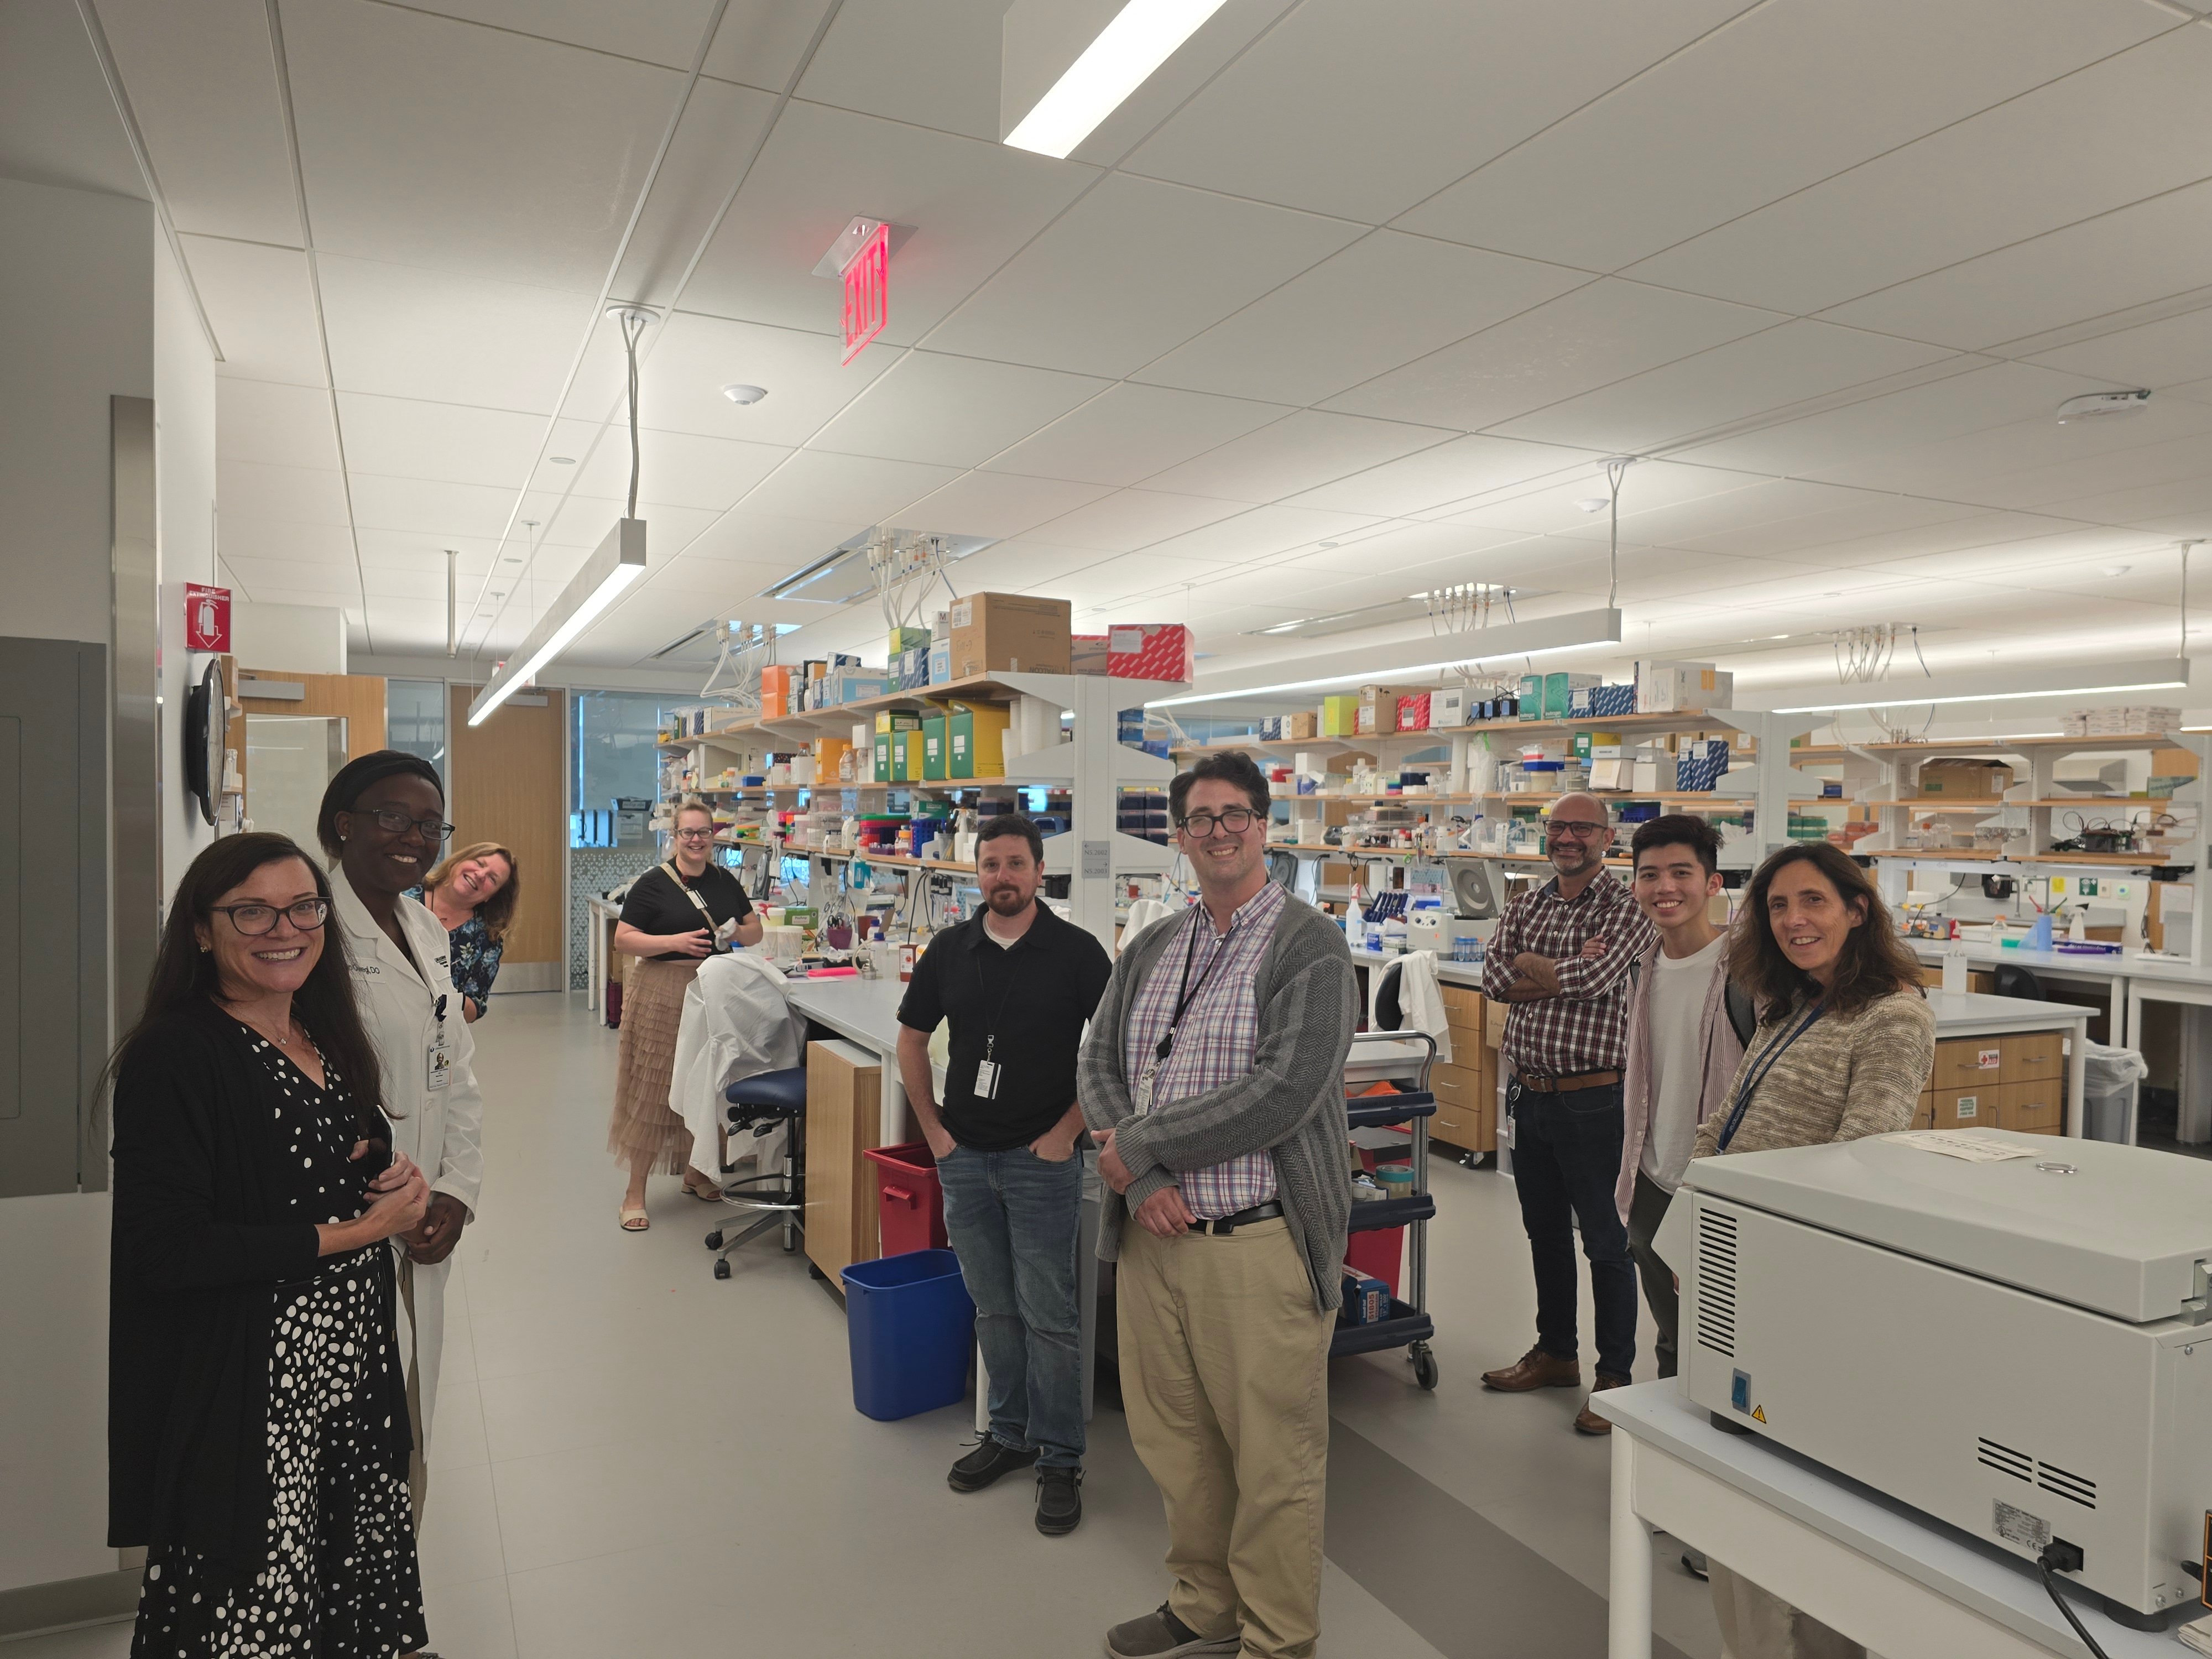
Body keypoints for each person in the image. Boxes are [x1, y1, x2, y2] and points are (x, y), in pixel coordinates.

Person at [110, 832, 434, 1659]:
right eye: (249, 910)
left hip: (346, 1369)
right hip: (254, 1384)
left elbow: (325, 1149)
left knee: (342, 1585)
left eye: (300, 907)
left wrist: (391, 1174)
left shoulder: (322, 1032)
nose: (281, 927)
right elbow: (171, 1252)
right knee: (252, 1602)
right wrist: (363, 1233)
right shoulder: (177, 1054)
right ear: (200, 929)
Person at [1080, 751, 1357, 1659]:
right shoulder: (1157, 941)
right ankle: (1203, 1603)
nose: (1219, 830)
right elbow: (1100, 1062)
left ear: (1264, 825)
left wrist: (1143, 1147)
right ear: (1179, 834)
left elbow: (1283, 1092)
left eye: (1235, 813)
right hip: (1155, 1240)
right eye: (1200, 818)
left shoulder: (1308, 943)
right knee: (1177, 1443)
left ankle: (1278, 1639)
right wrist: (1144, 1181)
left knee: (1273, 1460)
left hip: (1254, 1245)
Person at [1695, 839, 1936, 1659]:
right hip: (1738, 1254)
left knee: (1807, 1499)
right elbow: (1734, 1113)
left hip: (1804, 1278)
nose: (1794, 921)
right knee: (1741, 1485)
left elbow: (1869, 1155)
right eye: (1777, 906)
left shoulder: (1891, 1014)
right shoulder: (1790, 1001)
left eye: (1813, 903)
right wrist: (1702, 1184)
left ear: (1857, 908)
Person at [895, 812, 1113, 1536]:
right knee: (993, 1306)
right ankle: (1010, 1434)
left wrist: (1066, 1133)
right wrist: (935, 1135)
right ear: (976, 873)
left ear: (1039, 871)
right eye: (990, 865)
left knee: (1050, 1314)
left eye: (1016, 864)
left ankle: (1060, 1458)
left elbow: (1113, 1053)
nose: (1003, 877)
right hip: (964, 1158)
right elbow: (912, 1041)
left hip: (1040, 1163)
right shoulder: (950, 951)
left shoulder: (1077, 953)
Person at [320, 749, 485, 1522]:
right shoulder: (309, 929)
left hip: (425, 1208)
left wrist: (457, 1190)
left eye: (429, 823)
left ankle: (389, 1580)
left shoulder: (424, 925)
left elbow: (458, 1071)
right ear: (343, 825)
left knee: (412, 1403)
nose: (415, 836)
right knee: (349, 1420)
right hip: (346, 1218)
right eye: (393, 817)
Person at [1478, 791, 1657, 1435]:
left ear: (1606, 837)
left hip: (1596, 1099)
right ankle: (1556, 1352)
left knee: (1607, 1244)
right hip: (1530, 1094)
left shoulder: (1626, 904)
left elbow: (1595, 980)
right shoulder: (1526, 901)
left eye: (1582, 828)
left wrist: (1542, 968)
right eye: (1558, 827)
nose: (1567, 837)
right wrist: (1554, 967)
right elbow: (1494, 977)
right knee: (1544, 1234)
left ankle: (1613, 1377)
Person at [1616, 815, 1747, 1384]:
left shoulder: (1747, 973)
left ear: (1712, 884)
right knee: (1671, 1334)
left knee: (1726, 1333)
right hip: (1651, 1174)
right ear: (1634, 886)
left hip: (1718, 1181)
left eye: (1680, 873)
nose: (1664, 887)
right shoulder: (1641, 967)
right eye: (1649, 875)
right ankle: (1668, 1452)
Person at [610, 798, 764, 1229]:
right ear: (674, 836)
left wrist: (734, 931)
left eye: (704, 832)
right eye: (687, 833)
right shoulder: (653, 883)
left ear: (714, 835)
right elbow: (624, 939)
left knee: (712, 1081)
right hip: (664, 990)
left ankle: (696, 1173)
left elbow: (756, 930)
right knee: (655, 1087)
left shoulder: (724, 880)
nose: (696, 840)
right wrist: (673, 942)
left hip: (715, 988)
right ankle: (634, 1191)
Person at [411, 839, 518, 1021]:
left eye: (493, 879)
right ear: (459, 861)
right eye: (479, 863)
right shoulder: (404, 893)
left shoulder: (487, 939)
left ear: (492, 896)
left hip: (430, 1031)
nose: (481, 874)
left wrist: (445, 997)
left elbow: (476, 1007)